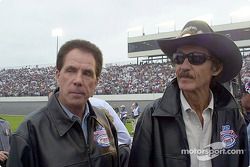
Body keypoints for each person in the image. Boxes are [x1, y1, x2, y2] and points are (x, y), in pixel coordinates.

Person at [129, 20, 249, 167]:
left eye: (196, 58)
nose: (184, 66)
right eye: (178, 58)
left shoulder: (233, 116)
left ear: (216, 68)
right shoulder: (151, 117)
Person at [7, 39, 119, 167]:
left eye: (87, 73)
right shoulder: (28, 133)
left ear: (96, 82)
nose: (78, 80)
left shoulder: (104, 121)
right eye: (71, 70)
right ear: (58, 75)